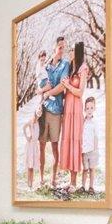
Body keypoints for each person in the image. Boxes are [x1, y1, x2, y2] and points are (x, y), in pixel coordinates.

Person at [38, 36, 72, 189]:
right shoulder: (45, 67)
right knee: (41, 145)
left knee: (54, 146)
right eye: (59, 47)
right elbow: (41, 86)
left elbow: (62, 86)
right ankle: (41, 178)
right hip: (44, 110)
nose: (62, 50)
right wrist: (44, 92)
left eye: (63, 47)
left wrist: (47, 92)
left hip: (56, 110)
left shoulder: (65, 64)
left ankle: (53, 179)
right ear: (54, 48)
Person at [58, 47, 89, 190]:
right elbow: (67, 90)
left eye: (71, 50)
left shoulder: (83, 69)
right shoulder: (71, 69)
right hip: (68, 108)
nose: (69, 53)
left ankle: (74, 183)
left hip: (76, 109)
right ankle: (70, 181)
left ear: (76, 52)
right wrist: (64, 86)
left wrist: (68, 86)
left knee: (75, 141)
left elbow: (80, 92)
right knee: (68, 140)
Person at [23, 95, 42, 191]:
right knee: (29, 166)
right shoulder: (31, 121)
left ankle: (31, 184)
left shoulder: (38, 122)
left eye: (40, 112)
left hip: (35, 145)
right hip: (30, 145)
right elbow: (24, 127)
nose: (39, 113)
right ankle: (28, 183)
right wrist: (27, 137)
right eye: (38, 111)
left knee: (33, 166)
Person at [81, 96, 98, 193]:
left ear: (94, 109)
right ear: (84, 109)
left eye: (91, 108)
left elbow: (96, 136)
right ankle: (83, 186)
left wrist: (95, 150)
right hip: (84, 150)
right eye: (87, 108)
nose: (89, 110)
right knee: (85, 168)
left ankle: (91, 187)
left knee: (92, 168)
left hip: (92, 150)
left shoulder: (94, 122)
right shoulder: (83, 122)